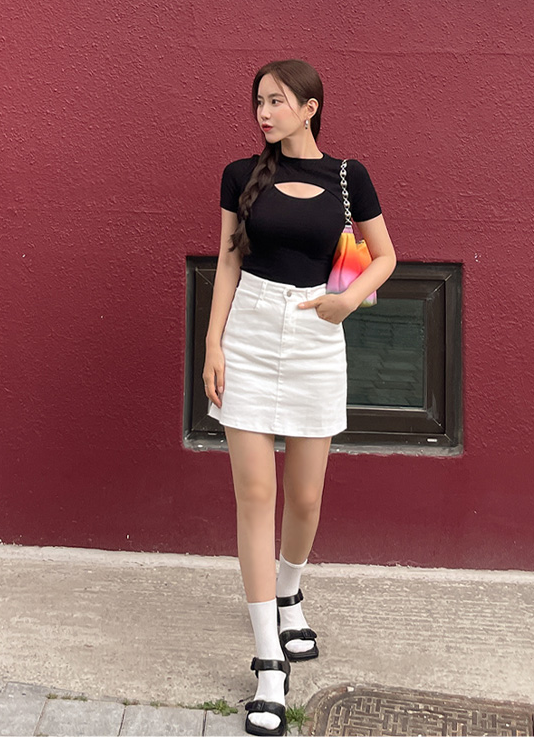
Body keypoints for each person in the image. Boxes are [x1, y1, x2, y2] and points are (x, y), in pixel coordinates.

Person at [202, 59, 396, 737]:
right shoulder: (239, 175)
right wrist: (214, 343)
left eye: (277, 100)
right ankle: (267, 662)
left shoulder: (348, 175)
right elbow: (228, 259)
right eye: (258, 100)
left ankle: (289, 592)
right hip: (250, 330)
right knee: (255, 495)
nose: (264, 112)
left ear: (310, 107)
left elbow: (384, 255)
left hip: (316, 331)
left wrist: (347, 298)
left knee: (306, 498)